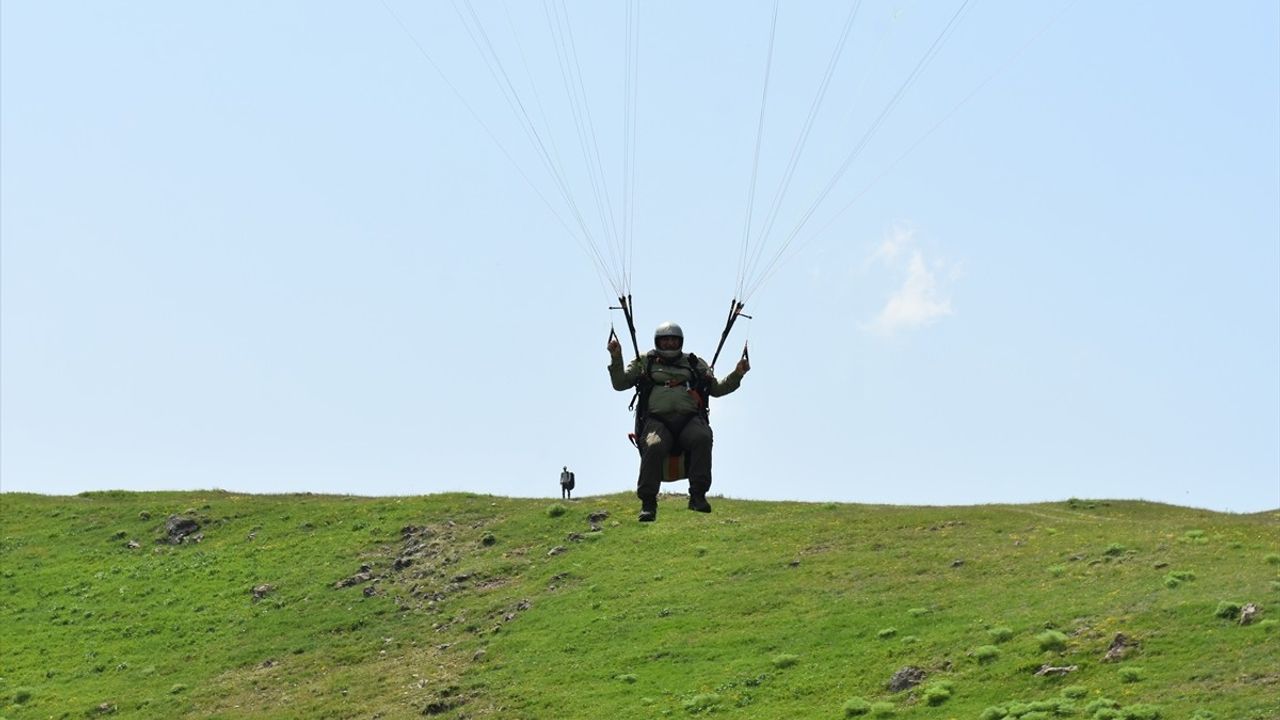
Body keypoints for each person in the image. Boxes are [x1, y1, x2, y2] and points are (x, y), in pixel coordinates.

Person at [608, 321, 750, 522]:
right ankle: (648, 503)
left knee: (703, 437)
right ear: (657, 342)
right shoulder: (644, 362)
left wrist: (738, 373)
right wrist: (616, 357)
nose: (669, 345)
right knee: (653, 444)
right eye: (665, 341)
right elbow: (620, 383)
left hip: (689, 420)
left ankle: (698, 496)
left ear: (680, 342)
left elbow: (716, 389)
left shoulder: (694, 363)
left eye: (673, 341)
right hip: (657, 421)